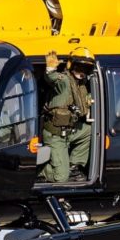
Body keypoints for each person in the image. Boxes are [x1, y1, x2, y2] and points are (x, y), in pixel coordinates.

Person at [41, 48, 94, 182]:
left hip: (69, 131)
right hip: (55, 135)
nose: (82, 72)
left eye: (86, 69)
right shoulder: (64, 81)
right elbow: (51, 78)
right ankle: (39, 169)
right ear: (71, 66)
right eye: (79, 67)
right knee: (61, 178)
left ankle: (72, 165)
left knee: (90, 131)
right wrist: (50, 69)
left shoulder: (81, 86)